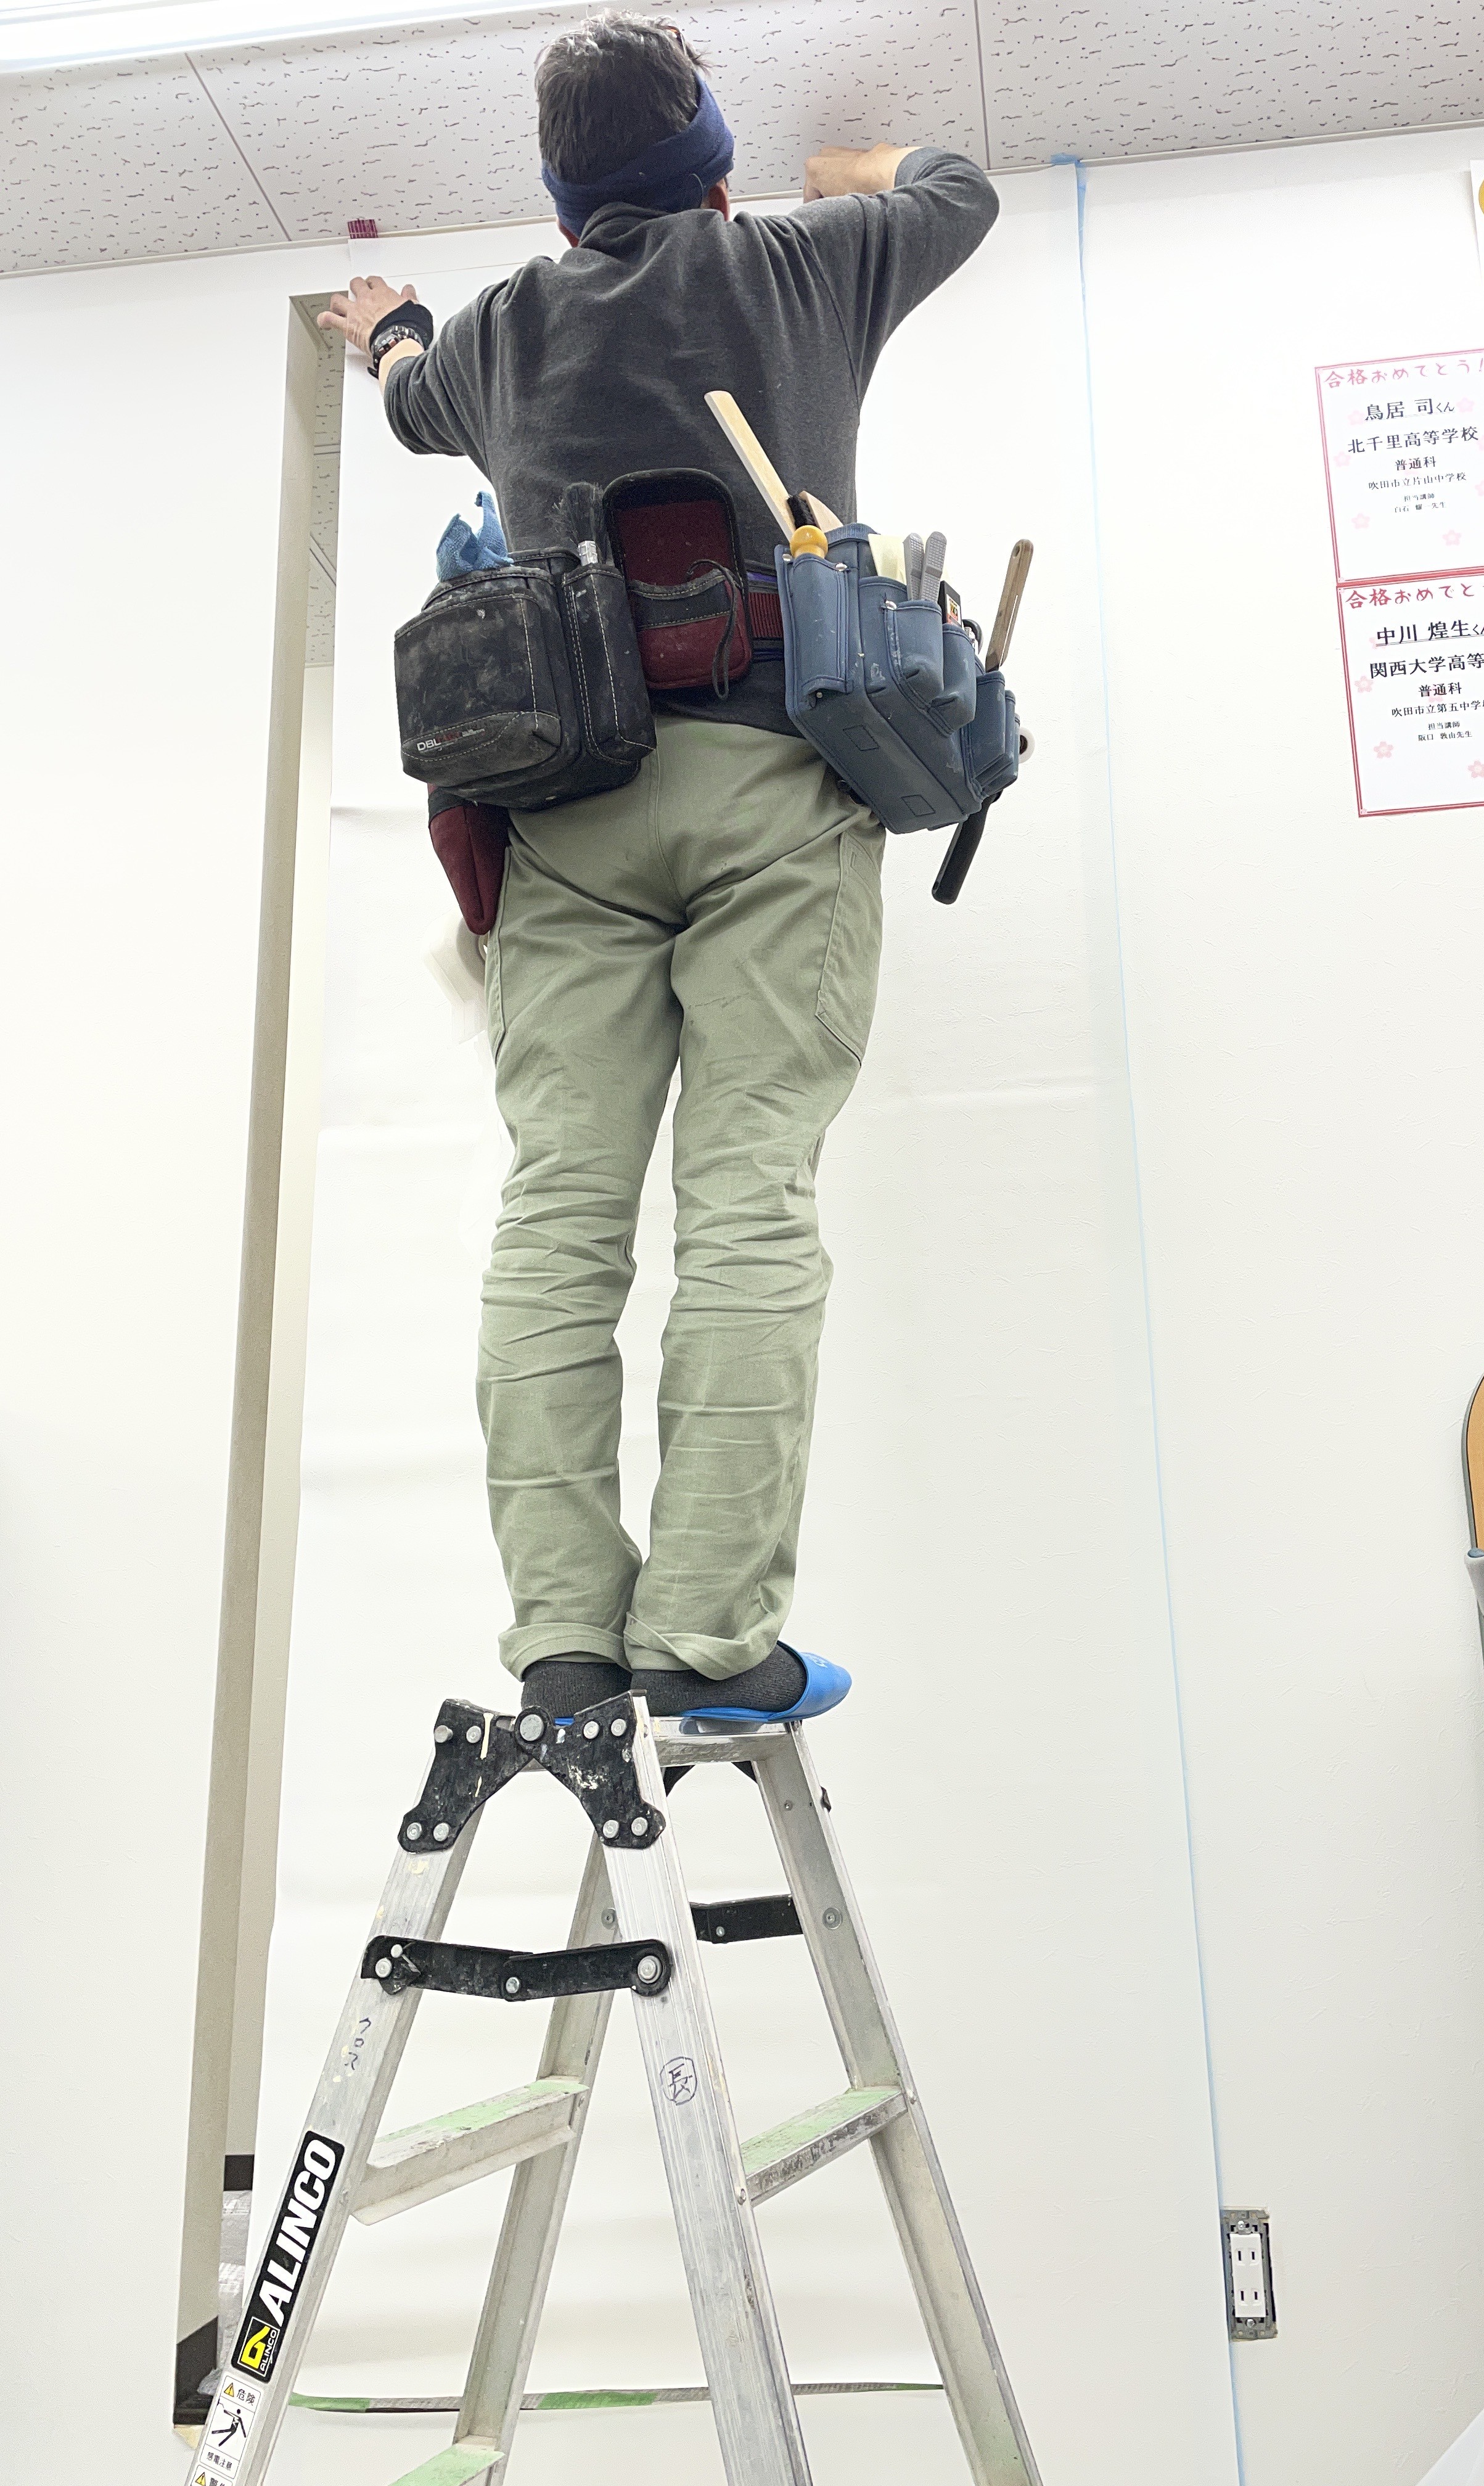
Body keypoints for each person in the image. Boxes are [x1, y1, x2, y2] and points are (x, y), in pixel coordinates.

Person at [319, 14, 997, 1726]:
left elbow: (406, 397)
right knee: (749, 1200)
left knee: (558, 1214)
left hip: (568, 808)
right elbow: (959, 191)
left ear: (560, 203)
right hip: (776, 785)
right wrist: (851, 163)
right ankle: (704, 1637)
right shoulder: (803, 264)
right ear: (713, 165)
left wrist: (387, 321)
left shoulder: (502, 329)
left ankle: (563, 1632)